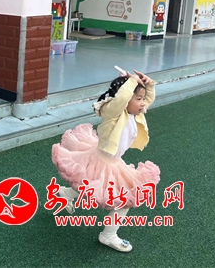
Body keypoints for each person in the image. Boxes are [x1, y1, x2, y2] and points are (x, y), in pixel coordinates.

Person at [51, 70, 160, 253]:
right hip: (102, 161)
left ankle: (65, 193)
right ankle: (108, 235)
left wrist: (149, 85)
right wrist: (132, 82)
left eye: (143, 99)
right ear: (125, 98)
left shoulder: (134, 113)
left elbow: (148, 99)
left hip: (112, 162)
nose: (143, 103)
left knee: (89, 184)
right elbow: (120, 100)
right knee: (123, 201)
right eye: (138, 99)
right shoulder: (114, 113)